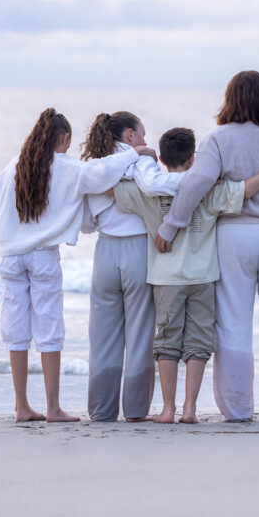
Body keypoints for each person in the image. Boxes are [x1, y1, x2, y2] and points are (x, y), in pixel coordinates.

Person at [155, 71, 259, 422]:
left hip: (234, 236)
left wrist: (171, 225)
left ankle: (237, 408)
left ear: (230, 100)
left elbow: (197, 182)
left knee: (232, 323)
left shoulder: (218, 139)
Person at [114, 127, 259, 424]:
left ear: (162, 158)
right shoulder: (208, 187)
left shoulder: (148, 191)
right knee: (198, 344)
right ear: (193, 160)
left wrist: (133, 158)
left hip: (166, 278)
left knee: (166, 344)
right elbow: (248, 189)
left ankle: (168, 409)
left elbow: (111, 188)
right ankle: (190, 409)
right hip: (203, 278)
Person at [0, 108, 144, 423]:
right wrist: (137, 153)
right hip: (42, 255)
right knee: (49, 329)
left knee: (16, 330)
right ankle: (53, 407)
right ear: (65, 139)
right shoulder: (67, 167)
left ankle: (21, 406)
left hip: (10, 256)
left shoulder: (11, 168)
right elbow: (102, 171)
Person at [78, 111, 182, 422]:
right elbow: (155, 187)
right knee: (139, 335)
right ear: (130, 136)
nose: (148, 141)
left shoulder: (96, 166)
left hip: (105, 251)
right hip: (138, 249)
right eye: (143, 134)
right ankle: (136, 411)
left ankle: (101, 410)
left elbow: (85, 224)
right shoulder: (140, 159)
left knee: (102, 336)